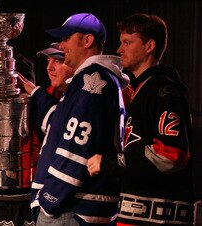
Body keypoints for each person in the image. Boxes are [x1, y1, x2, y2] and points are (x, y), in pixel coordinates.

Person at [18, 13, 130, 225]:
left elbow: (76, 148)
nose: (61, 45)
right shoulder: (91, 79)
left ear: (87, 40)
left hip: (72, 209)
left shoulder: (92, 80)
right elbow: (58, 127)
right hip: (75, 207)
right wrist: (34, 92)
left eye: (66, 38)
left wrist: (49, 200)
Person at [87, 13, 194, 225]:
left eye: (127, 42)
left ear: (149, 46)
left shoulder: (164, 90)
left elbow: (171, 154)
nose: (119, 50)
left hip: (156, 215)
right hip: (137, 212)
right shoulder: (142, 89)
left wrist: (108, 163)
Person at [30, 42, 75, 178]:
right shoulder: (48, 94)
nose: (49, 68)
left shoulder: (96, 92)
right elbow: (37, 146)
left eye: (58, 61)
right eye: (49, 61)